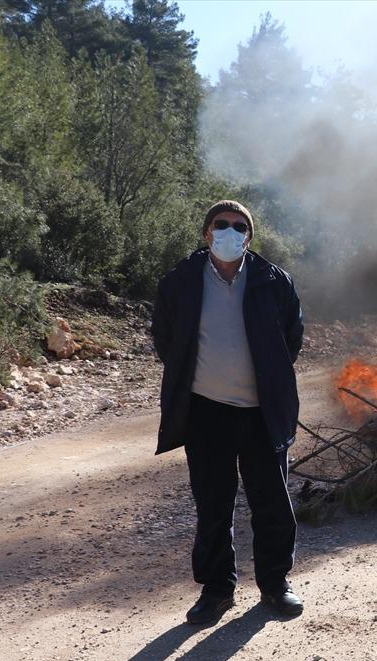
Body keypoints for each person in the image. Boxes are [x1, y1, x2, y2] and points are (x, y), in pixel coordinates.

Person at [152, 200, 306, 625]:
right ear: (206, 233)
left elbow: (291, 338)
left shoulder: (273, 281)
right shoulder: (180, 282)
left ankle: (275, 585)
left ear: (249, 238)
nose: (230, 232)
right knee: (212, 503)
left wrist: (267, 378)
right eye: (221, 225)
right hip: (206, 413)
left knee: (271, 501)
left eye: (240, 227)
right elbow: (165, 338)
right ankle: (217, 589)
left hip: (261, 412)